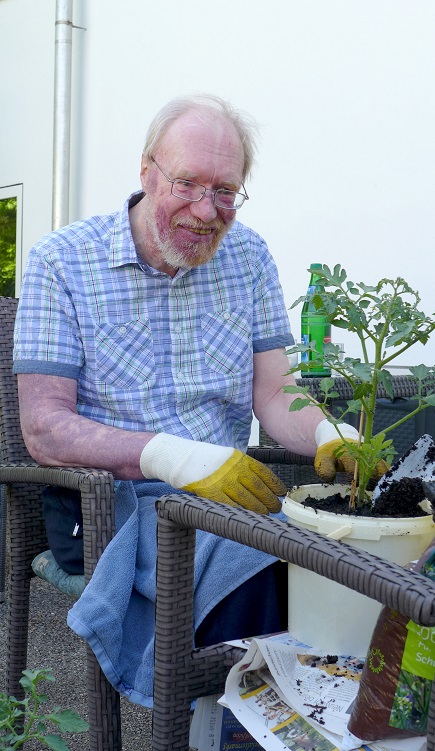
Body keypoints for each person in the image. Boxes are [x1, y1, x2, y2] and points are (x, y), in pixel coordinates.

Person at [13, 93, 370, 707]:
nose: (207, 211)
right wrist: (169, 457)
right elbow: (43, 428)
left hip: (231, 494)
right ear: (147, 170)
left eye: (226, 191)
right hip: (107, 503)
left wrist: (329, 433)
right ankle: (241, 715)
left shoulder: (249, 256)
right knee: (275, 564)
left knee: (353, 545)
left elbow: (276, 395)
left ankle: (309, 713)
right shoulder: (61, 261)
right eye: (187, 184)